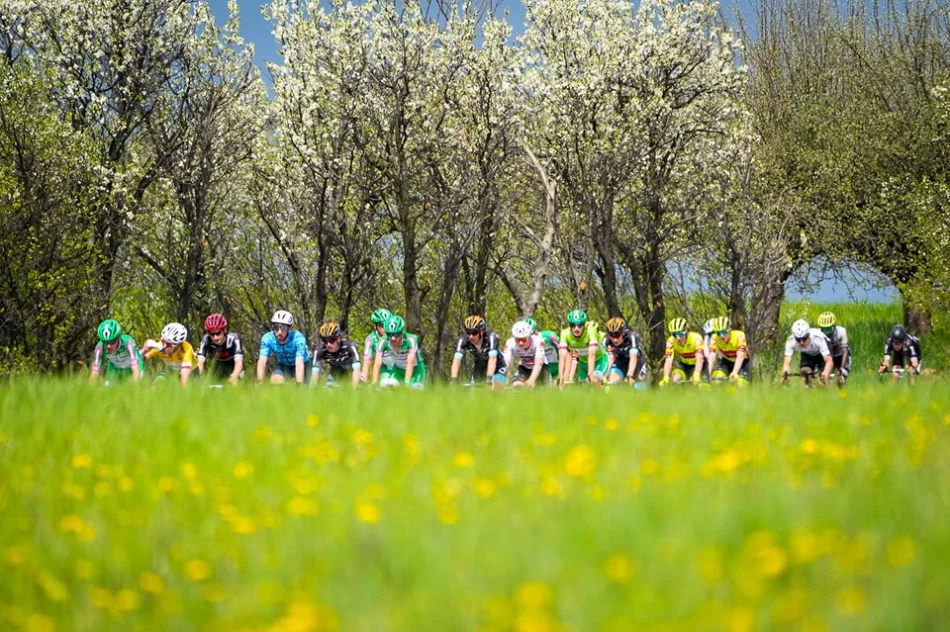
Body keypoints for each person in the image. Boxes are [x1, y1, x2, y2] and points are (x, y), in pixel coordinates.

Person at [450, 315, 506, 388]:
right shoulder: (463, 340)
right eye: (468, 332)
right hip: (480, 366)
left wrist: (489, 380)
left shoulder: (491, 337)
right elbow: (456, 360)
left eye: (474, 333)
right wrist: (454, 380)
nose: (471, 336)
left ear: (481, 331)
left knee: (494, 389)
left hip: (498, 366)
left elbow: (493, 358)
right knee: (475, 393)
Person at [257, 310, 310, 385]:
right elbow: (262, 361)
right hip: (284, 365)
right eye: (276, 328)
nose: (279, 332)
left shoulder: (298, 338)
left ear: (289, 329)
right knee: (275, 380)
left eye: (283, 328)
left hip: (303, 363)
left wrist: (299, 384)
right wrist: (260, 382)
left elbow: (299, 363)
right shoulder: (267, 338)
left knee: (305, 389)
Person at [372, 315, 426, 388]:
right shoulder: (383, 341)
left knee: (414, 391)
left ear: (402, 332)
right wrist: (374, 382)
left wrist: (407, 382)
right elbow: (377, 363)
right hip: (398, 369)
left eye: (396, 334)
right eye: (389, 334)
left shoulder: (411, 339)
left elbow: (410, 362)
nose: (393, 338)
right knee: (389, 387)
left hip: (416, 370)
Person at [557, 310, 607, 386]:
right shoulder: (564, 333)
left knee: (594, 381)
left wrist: (590, 375)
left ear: (584, 325)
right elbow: (562, 356)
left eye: (579, 325)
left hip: (599, 360)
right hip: (583, 362)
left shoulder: (591, 331)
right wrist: (561, 376)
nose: (576, 328)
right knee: (583, 389)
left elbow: (592, 354)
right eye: (573, 325)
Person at [89, 319, 144, 383]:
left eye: (112, 341)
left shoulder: (128, 343)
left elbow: (135, 369)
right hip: (115, 367)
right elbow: (95, 372)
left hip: (133, 367)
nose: (109, 346)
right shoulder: (100, 348)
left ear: (119, 337)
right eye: (105, 342)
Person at [141, 322, 196, 387]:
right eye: (163, 340)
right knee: (159, 382)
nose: (164, 345)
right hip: (172, 371)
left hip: (191, 372)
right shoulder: (159, 346)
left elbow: (184, 374)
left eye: (168, 344)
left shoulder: (186, 349)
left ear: (177, 345)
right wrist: (144, 350)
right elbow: (139, 358)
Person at [781, 319, 833, 387]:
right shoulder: (790, 341)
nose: (801, 342)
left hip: (822, 354)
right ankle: (806, 394)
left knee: (822, 379)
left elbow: (829, 360)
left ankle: (829, 393)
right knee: (805, 375)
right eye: (798, 340)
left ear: (808, 335)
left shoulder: (817, 339)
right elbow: (787, 361)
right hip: (807, 353)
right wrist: (785, 375)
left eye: (804, 338)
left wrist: (826, 372)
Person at [197, 313, 244, 386]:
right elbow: (200, 363)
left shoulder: (234, 338)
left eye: (218, 333)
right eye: (212, 334)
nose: (215, 337)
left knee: (236, 384)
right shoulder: (206, 339)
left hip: (234, 368)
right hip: (217, 369)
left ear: (224, 330)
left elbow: (239, 362)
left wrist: (234, 377)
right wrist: (199, 378)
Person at [311, 321, 361, 387]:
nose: (328, 344)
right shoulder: (320, 350)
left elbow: (357, 369)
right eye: (325, 341)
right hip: (336, 373)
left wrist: (354, 389)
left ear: (338, 338)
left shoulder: (350, 346)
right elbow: (315, 372)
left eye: (331, 340)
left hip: (353, 371)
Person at [660, 318, 706, 386]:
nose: (678, 338)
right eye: (675, 334)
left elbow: (699, 360)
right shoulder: (671, 341)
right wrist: (665, 378)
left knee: (696, 385)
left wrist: (696, 374)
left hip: (701, 364)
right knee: (675, 379)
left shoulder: (696, 339)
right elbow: (668, 361)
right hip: (685, 364)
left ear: (687, 331)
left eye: (681, 334)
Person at [603, 316, 647, 387]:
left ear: (623, 333)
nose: (615, 339)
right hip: (620, 363)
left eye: (617, 335)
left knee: (638, 387)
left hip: (636, 363)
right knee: (613, 382)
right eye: (611, 335)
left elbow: (633, 357)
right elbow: (604, 357)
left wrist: (629, 376)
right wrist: (603, 376)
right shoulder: (606, 338)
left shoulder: (632, 336)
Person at [502, 321, 547, 388]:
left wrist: (532, 379)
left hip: (541, 368)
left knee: (540, 392)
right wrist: (500, 378)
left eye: (523, 340)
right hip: (524, 367)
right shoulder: (510, 343)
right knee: (517, 387)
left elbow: (538, 364)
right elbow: (506, 363)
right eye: (518, 340)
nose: (520, 343)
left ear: (529, 337)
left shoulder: (538, 341)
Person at [707, 316, 751, 384]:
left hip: (743, 362)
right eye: (719, 333)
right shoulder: (715, 338)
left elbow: (740, 357)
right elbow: (711, 357)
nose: (721, 336)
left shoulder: (739, 336)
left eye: (724, 332)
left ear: (729, 330)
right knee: (716, 378)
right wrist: (708, 373)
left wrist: (735, 372)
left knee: (740, 384)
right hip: (726, 360)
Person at [817, 311, 850, 386]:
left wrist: (842, 368)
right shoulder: (818, 333)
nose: (826, 333)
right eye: (824, 329)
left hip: (841, 356)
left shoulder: (841, 331)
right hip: (829, 357)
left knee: (841, 380)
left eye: (829, 329)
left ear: (834, 326)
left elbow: (845, 351)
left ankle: (843, 394)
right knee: (825, 379)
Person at [524, 317, 560, 384]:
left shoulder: (550, 336)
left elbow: (563, 350)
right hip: (541, 371)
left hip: (556, 368)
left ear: (536, 331)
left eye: (530, 335)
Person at [361, 308, 392, 383]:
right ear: (376, 326)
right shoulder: (371, 339)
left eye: (387, 324)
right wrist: (363, 381)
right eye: (381, 325)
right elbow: (367, 362)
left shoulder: (396, 335)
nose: (385, 328)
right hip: (385, 368)